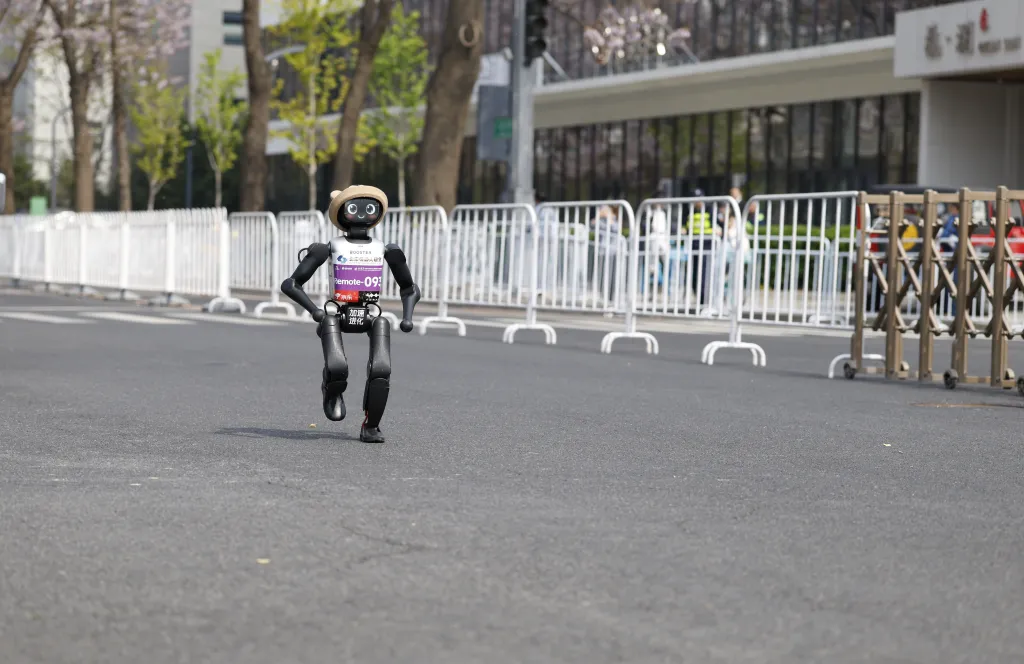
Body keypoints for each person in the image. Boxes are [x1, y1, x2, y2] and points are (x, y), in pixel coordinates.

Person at [281, 186, 421, 444]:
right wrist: (314, 310)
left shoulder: (385, 249)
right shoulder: (329, 248)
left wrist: (407, 315)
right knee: (337, 366)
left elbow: (410, 287)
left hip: (371, 312)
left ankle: (371, 425)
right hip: (336, 312)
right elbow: (291, 283)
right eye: (354, 207)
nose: (362, 213)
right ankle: (332, 390)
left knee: (381, 369)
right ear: (342, 212)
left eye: (370, 208)